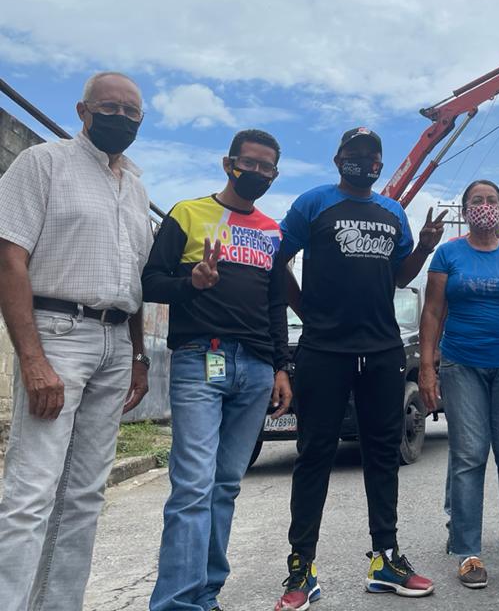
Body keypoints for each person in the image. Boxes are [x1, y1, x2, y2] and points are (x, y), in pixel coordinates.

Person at [274, 127, 446, 610]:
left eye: (373, 155)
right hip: (324, 350)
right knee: (313, 455)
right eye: (356, 154)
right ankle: (301, 568)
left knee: (382, 453)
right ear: (338, 158)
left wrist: (424, 248)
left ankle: (385, 558)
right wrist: (306, 312)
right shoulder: (314, 203)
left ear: (379, 163)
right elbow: (278, 261)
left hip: (383, 349)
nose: (365, 161)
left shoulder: (393, 212)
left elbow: (398, 276)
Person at [0, 72, 153, 610]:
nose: (123, 119)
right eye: (111, 108)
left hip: (115, 341)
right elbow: (9, 258)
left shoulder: (135, 185)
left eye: (133, 113)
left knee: (85, 493)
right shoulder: (43, 164)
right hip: (57, 335)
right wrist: (32, 358)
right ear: (83, 110)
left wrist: (137, 356)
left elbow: (133, 277)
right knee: (32, 491)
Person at [144, 129, 294, 611]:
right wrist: (192, 280)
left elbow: (275, 305)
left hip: (254, 368)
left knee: (226, 484)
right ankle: (175, 604)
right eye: (248, 163)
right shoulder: (187, 214)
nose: (257, 173)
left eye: (267, 168)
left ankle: (205, 596)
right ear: (228, 162)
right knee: (192, 485)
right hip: (199, 359)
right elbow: (150, 282)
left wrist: (280, 366)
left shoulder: (272, 231)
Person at [419, 180, 499, 589]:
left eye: (492, 200)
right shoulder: (448, 253)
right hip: (462, 365)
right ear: (465, 208)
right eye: (477, 200)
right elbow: (434, 311)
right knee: (469, 456)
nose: (485, 206)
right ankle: (467, 552)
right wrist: (426, 366)